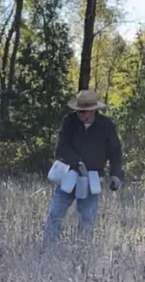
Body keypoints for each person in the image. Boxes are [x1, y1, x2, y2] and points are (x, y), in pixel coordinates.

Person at [42, 88, 123, 246]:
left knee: (87, 219)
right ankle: (47, 250)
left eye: (85, 112)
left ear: (94, 110)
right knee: (55, 214)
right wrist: (77, 163)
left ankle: (82, 253)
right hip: (68, 175)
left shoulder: (107, 126)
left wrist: (116, 174)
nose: (81, 115)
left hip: (92, 179)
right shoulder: (69, 121)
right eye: (79, 111)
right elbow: (61, 148)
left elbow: (115, 152)